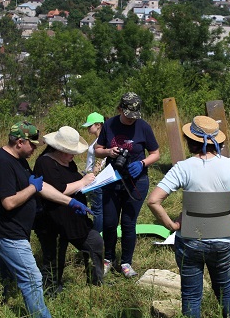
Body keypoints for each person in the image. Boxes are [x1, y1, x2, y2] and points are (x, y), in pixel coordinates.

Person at [147, 116, 230, 318]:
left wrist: (172, 226)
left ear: (190, 141)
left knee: (191, 295)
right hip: (223, 241)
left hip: (191, 241)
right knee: (226, 289)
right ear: (217, 141)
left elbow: (153, 201)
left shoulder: (182, 168)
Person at [0, 121, 85, 318]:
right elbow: (9, 202)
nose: (36, 149)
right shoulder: (2, 165)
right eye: (33, 145)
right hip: (7, 233)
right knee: (32, 278)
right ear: (20, 142)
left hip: (13, 230)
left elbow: (41, 186)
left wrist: (69, 202)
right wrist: (32, 188)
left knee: (3, 274)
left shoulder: (19, 160)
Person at [94, 92, 160, 278]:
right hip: (112, 180)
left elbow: (155, 153)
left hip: (137, 181)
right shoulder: (109, 125)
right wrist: (109, 151)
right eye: (128, 116)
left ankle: (126, 262)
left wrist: (142, 164)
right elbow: (97, 150)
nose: (132, 120)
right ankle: (108, 258)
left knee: (129, 223)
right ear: (120, 109)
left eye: (135, 117)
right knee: (109, 222)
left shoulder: (144, 127)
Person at [33, 126, 104, 293]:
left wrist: (91, 179)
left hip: (75, 218)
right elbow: (55, 190)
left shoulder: (68, 162)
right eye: (71, 151)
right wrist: (82, 183)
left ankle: (96, 282)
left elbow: (77, 181)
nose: (74, 155)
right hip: (53, 221)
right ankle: (51, 290)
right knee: (54, 258)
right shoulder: (45, 163)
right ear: (59, 149)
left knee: (95, 243)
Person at [82, 112, 105, 234]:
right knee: (98, 208)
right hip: (93, 177)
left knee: (97, 209)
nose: (87, 128)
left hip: (96, 179)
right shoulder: (98, 139)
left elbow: (99, 161)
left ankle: (96, 234)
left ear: (98, 125)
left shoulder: (101, 140)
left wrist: (92, 176)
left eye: (90, 125)